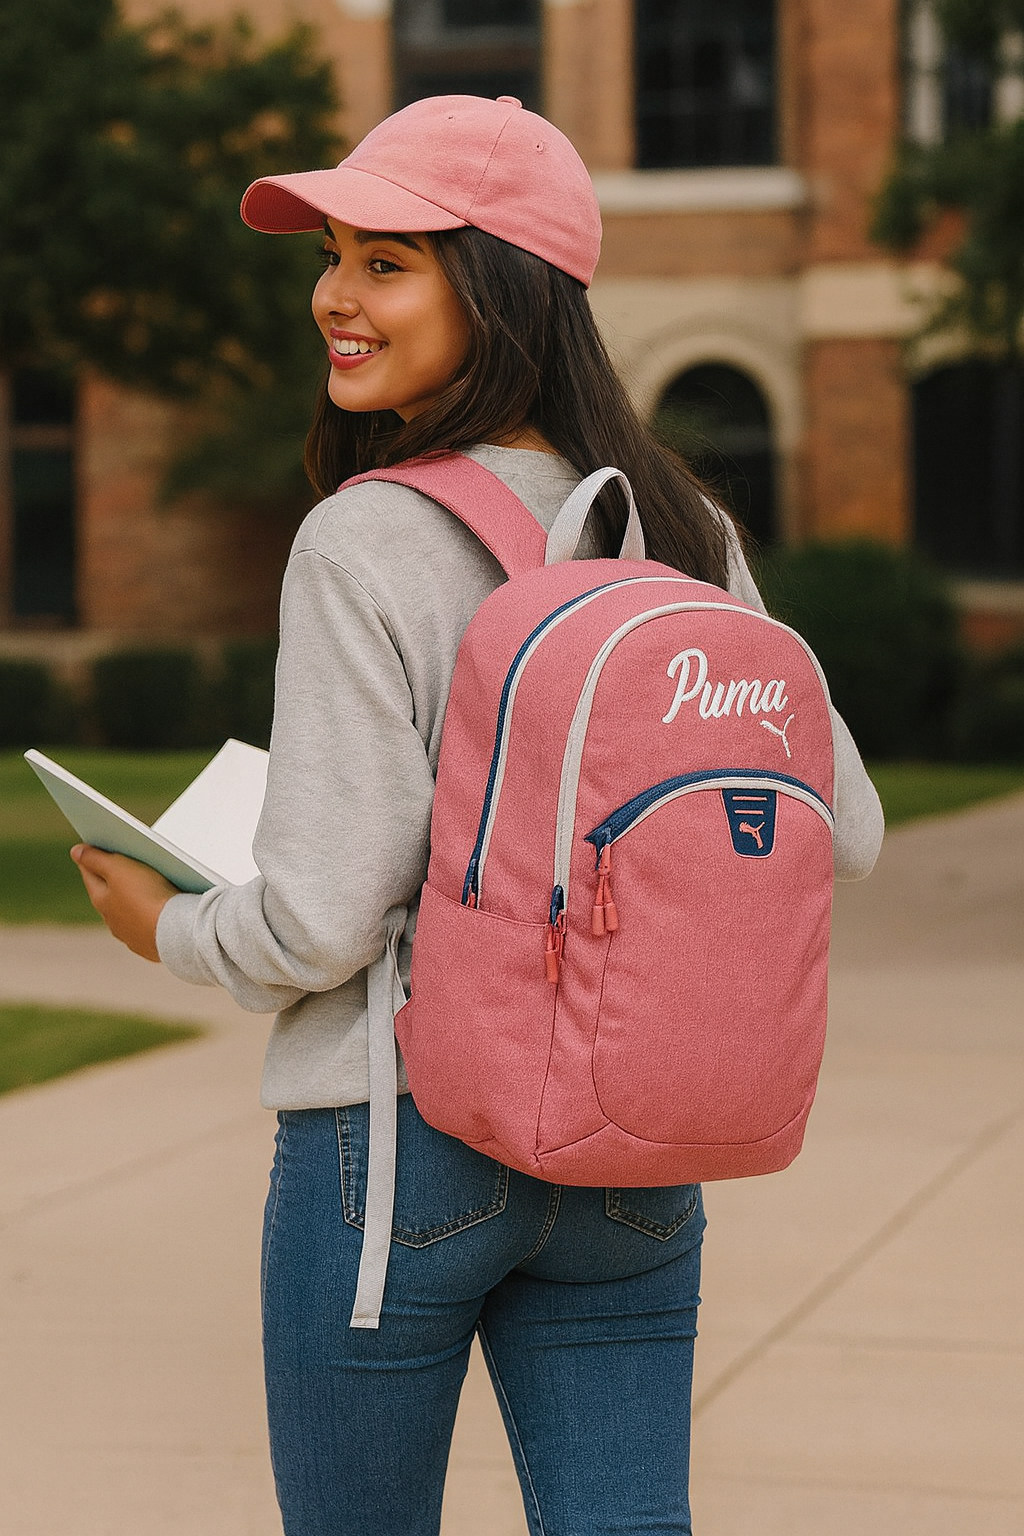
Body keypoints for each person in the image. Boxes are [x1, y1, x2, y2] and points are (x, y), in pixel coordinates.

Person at [72, 94, 884, 1536]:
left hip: (400, 1148)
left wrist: (174, 927)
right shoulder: (686, 529)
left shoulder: (365, 537)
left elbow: (320, 918)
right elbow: (849, 827)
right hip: (637, 1149)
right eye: (331, 255)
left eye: (387, 263)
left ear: (501, 287)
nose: (333, 295)